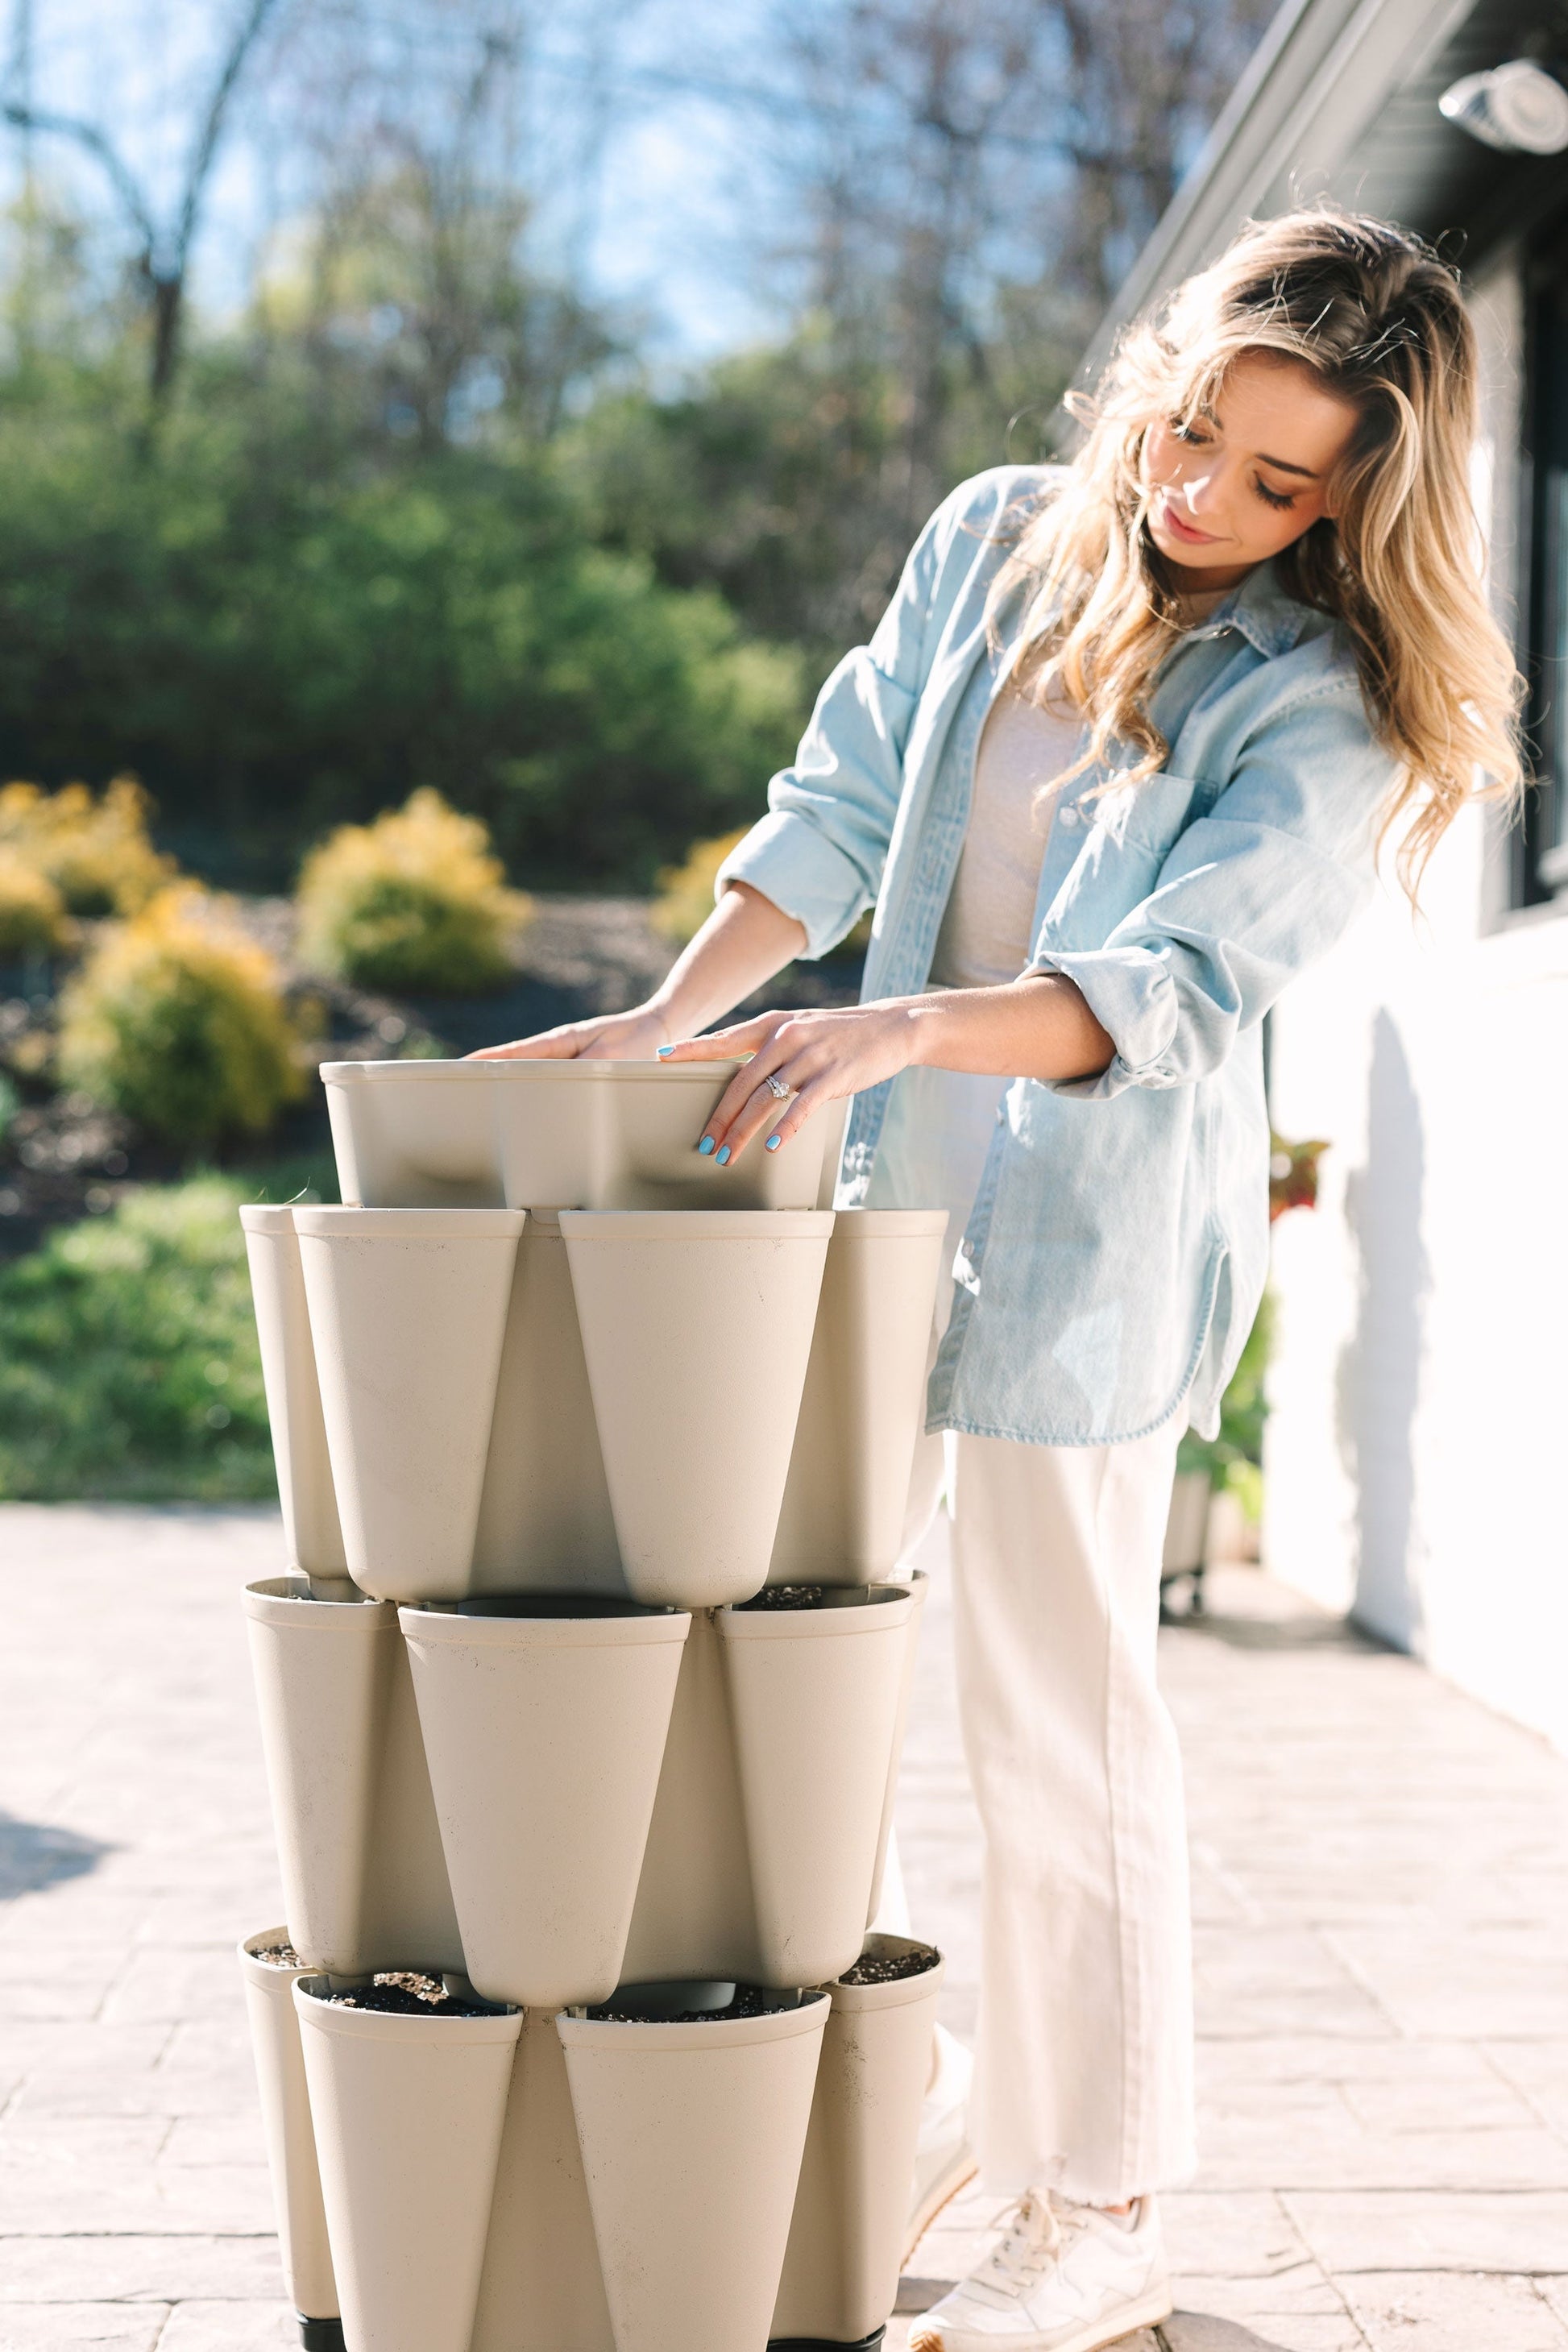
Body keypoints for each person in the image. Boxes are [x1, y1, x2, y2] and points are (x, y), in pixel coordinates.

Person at [475, 209, 1522, 2352]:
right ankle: (923, 2090)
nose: (1201, 501)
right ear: (1161, 380)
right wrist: (684, 1014)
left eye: (1275, 485)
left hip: (1085, 1238)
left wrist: (902, 1025)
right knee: (795, 1675)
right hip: (860, 1201)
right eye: (1195, 437)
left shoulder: (1317, 702)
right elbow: (844, 796)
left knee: (1052, 1716)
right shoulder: (993, 539)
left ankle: (1104, 2195)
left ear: (1351, 509)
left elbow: (1162, 988)